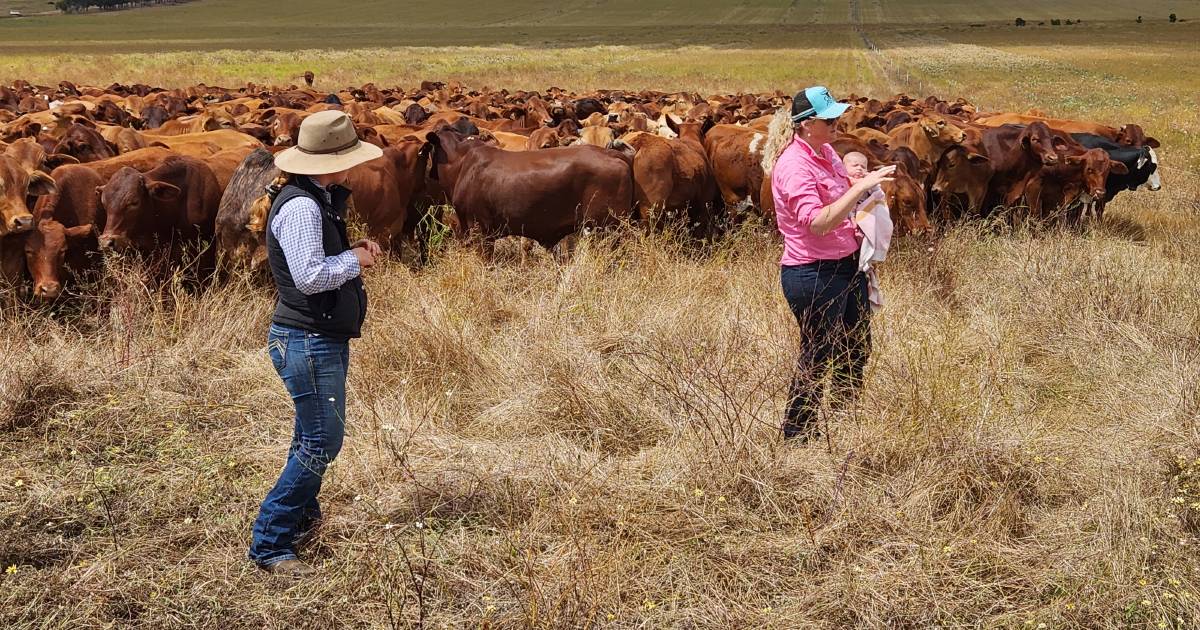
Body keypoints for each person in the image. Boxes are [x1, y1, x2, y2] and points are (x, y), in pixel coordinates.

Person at [248, 110, 384, 576]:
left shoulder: (313, 197)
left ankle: (302, 520)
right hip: (307, 338)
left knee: (311, 435)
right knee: (324, 440)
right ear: (331, 161)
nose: (354, 166)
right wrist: (355, 259)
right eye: (349, 156)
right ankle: (271, 541)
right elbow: (309, 277)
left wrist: (349, 251)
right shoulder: (305, 206)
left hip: (313, 337)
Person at [768, 86, 895, 441]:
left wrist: (860, 188)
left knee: (857, 345)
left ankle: (842, 417)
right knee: (817, 355)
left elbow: (839, 199)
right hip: (813, 273)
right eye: (830, 118)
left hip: (846, 267)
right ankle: (797, 436)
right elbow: (817, 222)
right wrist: (861, 186)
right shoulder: (794, 166)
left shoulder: (826, 153)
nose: (838, 122)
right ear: (807, 124)